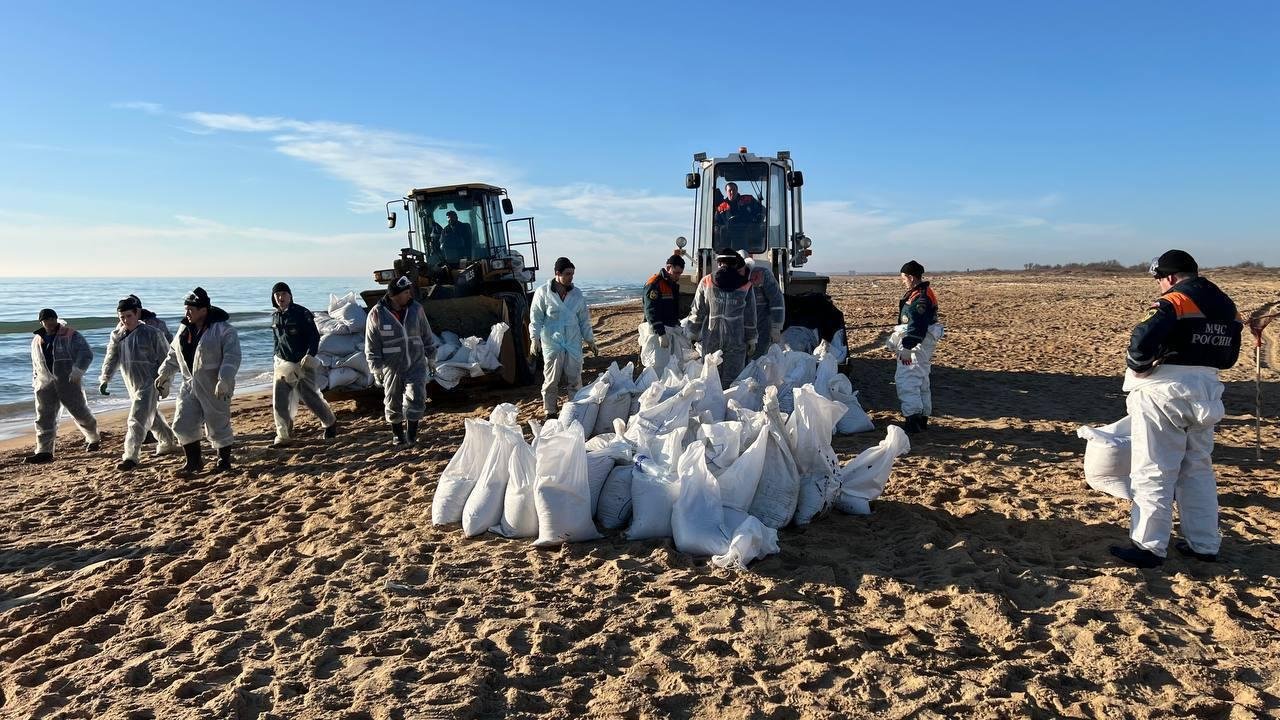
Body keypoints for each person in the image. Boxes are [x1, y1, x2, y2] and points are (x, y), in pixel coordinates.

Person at [1109, 250, 1242, 568]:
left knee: (1154, 468)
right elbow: (1229, 358)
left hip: (1164, 391)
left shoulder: (1176, 299)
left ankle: (1149, 547)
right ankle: (1204, 545)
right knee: (1197, 469)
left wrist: (1140, 364)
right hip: (1208, 391)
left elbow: (1140, 342)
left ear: (1168, 276)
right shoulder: (1227, 305)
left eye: (1159, 279)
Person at [156, 287, 242, 476]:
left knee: (218, 423)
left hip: (215, 385)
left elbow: (232, 357)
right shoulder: (183, 329)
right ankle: (193, 462)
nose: (187, 313)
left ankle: (224, 461)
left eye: (191, 309)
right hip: (189, 384)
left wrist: (225, 379)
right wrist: (163, 374)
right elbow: (173, 354)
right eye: (185, 309)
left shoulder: (223, 330)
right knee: (182, 423)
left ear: (204, 310)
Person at [98, 296, 176, 470]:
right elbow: (111, 358)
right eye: (122, 317)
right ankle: (168, 442)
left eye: (128, 316)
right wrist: (105, 378)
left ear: (137, 314)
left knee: (136, 419)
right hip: (131, 382)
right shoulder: (117, 335)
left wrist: (165, 381)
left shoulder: (152, 333)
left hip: (151, 381)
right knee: (150, 415)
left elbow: (167, 358)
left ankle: (131, 456)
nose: (125, 320)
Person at [365, 275, 438, 447]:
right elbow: (372, 343)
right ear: (394, 295)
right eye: (406, 292)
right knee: (393, 399)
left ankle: (411, 434)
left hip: (416, 362)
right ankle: (397, 435)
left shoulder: (416, 309)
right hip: (392, 365)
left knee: (418, 396)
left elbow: (426, 334)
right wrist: (376, 369)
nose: (409, 296)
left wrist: (431, 357)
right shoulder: (377, 313)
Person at [26, 308, 100, 464]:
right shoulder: (37, 340)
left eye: (52, 319)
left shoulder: (70, 335)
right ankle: (44, 451)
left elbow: (86, 353)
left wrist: (78, 371)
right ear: (41, 322)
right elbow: (36, 363)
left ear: (56, 319)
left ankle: (93, 438)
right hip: (45, 384)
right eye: (46, 320)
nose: (50, 322)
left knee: (80, 412)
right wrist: (35, 380)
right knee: (44, 418)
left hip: (69, 382)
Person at [270, 281, 337, 446]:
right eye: (277, 295)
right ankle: (284, 434)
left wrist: (310, 355)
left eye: (284, 294)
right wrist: (276, 357)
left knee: (309, 397)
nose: (280, 297)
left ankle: (330, 423)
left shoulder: (301, 313)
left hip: (302, 363)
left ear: (290, 296)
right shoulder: (275, 316)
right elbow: (277, 341)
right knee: (279, 400)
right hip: (283, 364)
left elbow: (314, 337)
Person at [530, 257, 597, 416]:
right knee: (551, 380)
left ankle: (575, 409)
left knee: (575, 379)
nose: (571, 277)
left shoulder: (577, 294)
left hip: (573, 343)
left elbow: (583, 320)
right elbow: (536, 318)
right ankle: (550, 411)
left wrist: (590, 340)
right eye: (567, 274)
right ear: (557, 273)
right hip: (552, 343)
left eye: (572, 274)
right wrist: (534, 339)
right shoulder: (543, 293)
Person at [686, 250, 757, 387]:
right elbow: (750, 316)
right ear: (736, 264)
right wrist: (751, 339)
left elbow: (697, 311)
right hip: (736, 340)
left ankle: (713, 406)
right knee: (733, 381)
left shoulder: (706, 281)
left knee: (711, 379)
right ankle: (730, 405)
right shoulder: (745, 285)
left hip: (712, 339)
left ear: (719, 263)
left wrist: (692, 333)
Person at [893, 261, 942, 433]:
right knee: (921, 379)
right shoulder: (921, 293)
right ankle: (922, 418)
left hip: (916, 344)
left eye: (904, 278)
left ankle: (912, 420)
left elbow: (917, 325)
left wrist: (907, 348)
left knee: (908, 379)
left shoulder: (920, 297)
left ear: (911, 277)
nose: (903, 281)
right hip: (923, 343)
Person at [126, 294, 178, 450]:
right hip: (134, 373)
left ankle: (140, 442)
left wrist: (166, 374)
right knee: (148, 407)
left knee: (144, 406)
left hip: (155, 371)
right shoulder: (126, 324)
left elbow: (170, 346)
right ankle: (166, 438)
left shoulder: (156, 325)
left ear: (138, 309)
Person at [642, 254, 684, 369]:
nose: (678, 276)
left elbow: (673, 307)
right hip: (658, 331)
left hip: (669, 328)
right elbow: (651, 310)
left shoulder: (672, 285)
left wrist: (676, 324)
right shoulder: (655, 284)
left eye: (680, 273)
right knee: (658, 365)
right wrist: (661, 333)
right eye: (676, 273)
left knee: (671, 363)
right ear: (668, 267)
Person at [745, 250, 785, 358]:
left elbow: (776, 300)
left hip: (761, 326)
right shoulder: (729, 278)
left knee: (759, 357)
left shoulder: (762, 275)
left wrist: (776, 327)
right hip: (739, 328)